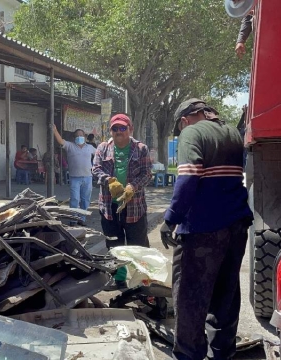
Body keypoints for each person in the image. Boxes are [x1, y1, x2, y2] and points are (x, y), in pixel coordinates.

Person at [160, 98, 253, 360]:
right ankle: (223, 352)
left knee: (189, 297)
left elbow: (188, 177)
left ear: (184, 120)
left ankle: (190, 355)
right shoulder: (232, 134)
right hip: (236, 226)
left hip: (203, 230)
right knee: (226, 293)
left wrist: (171, 218)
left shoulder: (192, 132)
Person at [92, 114, 152, 248]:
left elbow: (147, 174)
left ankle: (136, 270)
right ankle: (119, 270)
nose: (119, 131)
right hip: (109, 209)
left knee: (138, 249)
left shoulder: (141, 149)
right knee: (114, 249)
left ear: (130, 129)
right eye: (115, 128)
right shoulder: (103, 148)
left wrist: (132, 186)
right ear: (111, 131)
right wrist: (109, 181)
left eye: (123, 128)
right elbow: (95, 169)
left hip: (135, 208)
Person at [52, 126, 96, 222]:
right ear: (74, 138)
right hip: (74, 178)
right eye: (77, 136)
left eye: (81, 135)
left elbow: (99, 155)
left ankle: (82, 219)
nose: (79, 137)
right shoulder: (70, 146)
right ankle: (73, 219)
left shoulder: (90, 148)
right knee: (75, 199)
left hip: (88, 177)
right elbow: (60, 141)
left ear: (85, 137)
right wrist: (55, 130)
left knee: (85, 200)